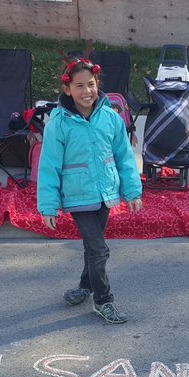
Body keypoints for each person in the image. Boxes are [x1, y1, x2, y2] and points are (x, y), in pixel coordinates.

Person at [37, 58, 144, 324]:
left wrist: (132, 191)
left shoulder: (111, 118)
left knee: (92, 246)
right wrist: (48, 205)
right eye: (79, 86)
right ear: (67, 90)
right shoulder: (59, 124)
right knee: (99, 250)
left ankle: (86, 286)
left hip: (105, 193)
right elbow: (49, 166)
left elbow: (124, 157)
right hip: (77, 196)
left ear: (98, 85)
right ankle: (103, 300)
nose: (86, 92)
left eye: (91, 85)